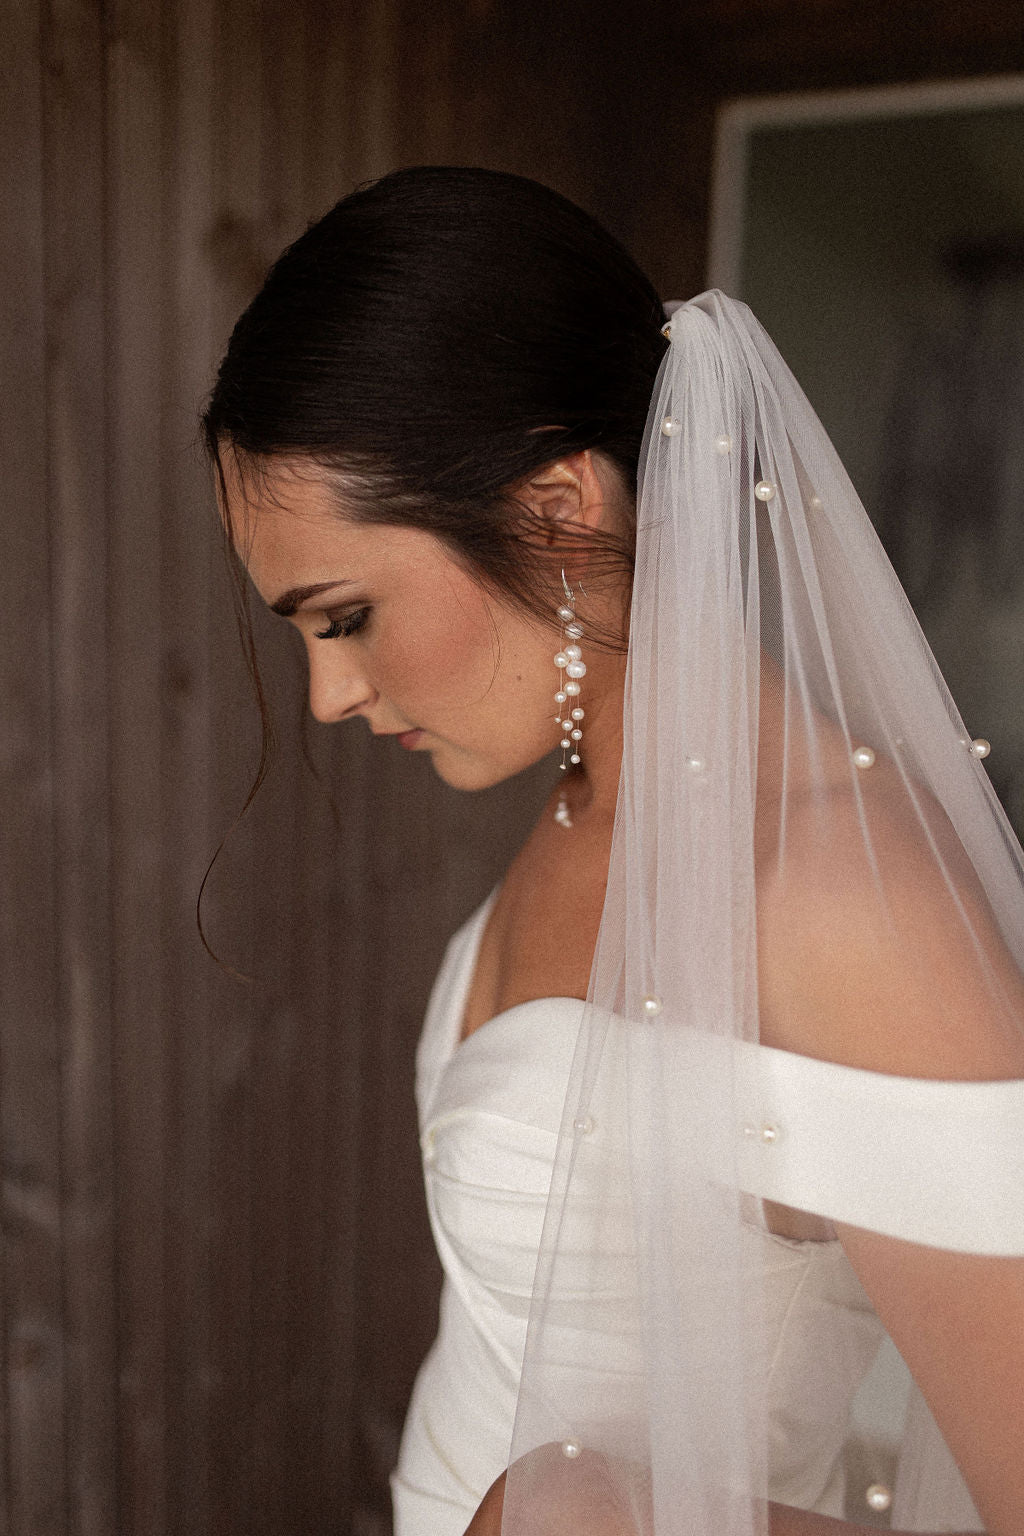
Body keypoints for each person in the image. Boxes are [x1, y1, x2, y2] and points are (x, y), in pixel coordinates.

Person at [202, 167, 1024, 1536]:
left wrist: (582, 1514)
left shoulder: (843, 900)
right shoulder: (592, 798)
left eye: (342, 618)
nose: (330, 697)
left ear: (555, 514)